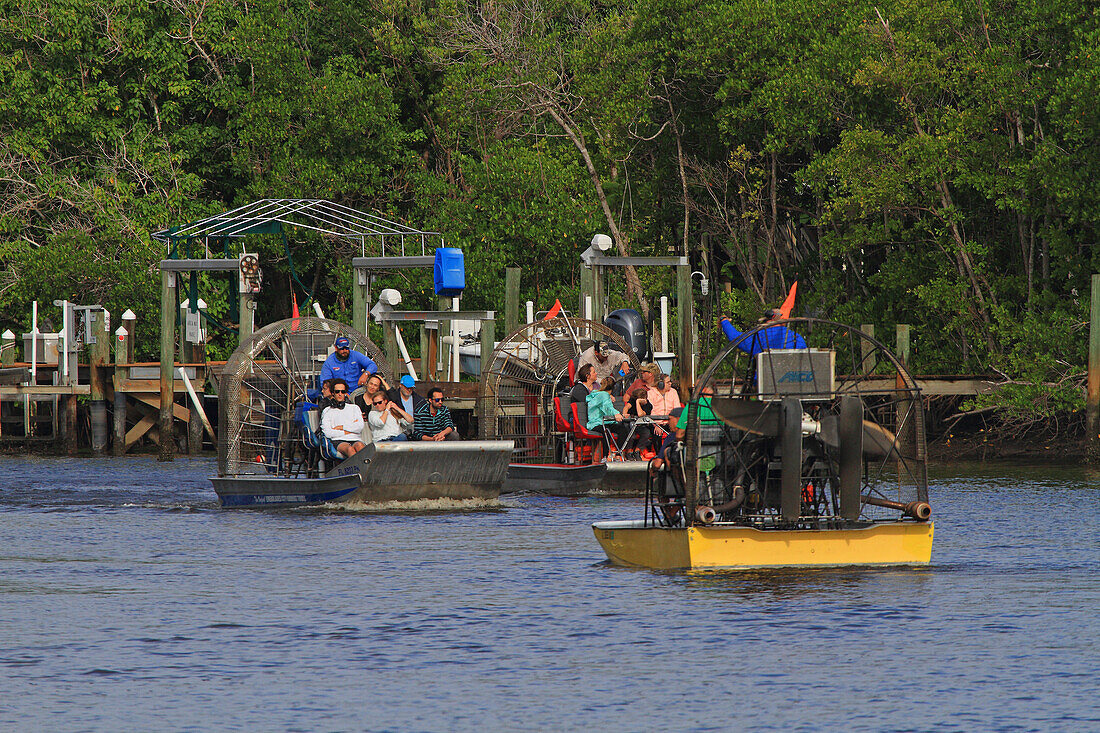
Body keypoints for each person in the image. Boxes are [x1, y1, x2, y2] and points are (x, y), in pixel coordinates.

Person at [719, 308, 807, 356]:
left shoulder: (758, 335)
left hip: (763, 383)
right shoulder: (796, 338)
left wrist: (724, 321)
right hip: (791, 381)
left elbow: (734, 337)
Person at [320, 378, 366, 457]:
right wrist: (345, 432)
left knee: (360, 447)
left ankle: (365, 469)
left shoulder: (354, 408)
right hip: (338, 440)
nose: (340, 394)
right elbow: (327, 433)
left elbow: (359, 427)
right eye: (337, 392)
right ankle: (359, 469)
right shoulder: (327, 411)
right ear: (333, 393)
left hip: (355, 439)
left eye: (343, 391)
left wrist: (342, 427)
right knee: (350, 449)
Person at [586, 377, 630, 454]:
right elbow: (608, 407)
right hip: (596, 423)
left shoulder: (600, 394)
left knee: (622, 429)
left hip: (606, 422)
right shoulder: (604, 395)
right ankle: (605, 456)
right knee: (607, 432)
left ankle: (618, 454)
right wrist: (616, 414)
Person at [623, 387, 654, 458]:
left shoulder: (648, 406)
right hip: (630, 423)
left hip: (641, 424)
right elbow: (626, 407)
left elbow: (640, 414)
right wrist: (625, 414)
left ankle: (637, 450)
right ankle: (629, 451)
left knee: (646, 433)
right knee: (631, 435)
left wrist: (638, 403)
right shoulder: (632, 400)